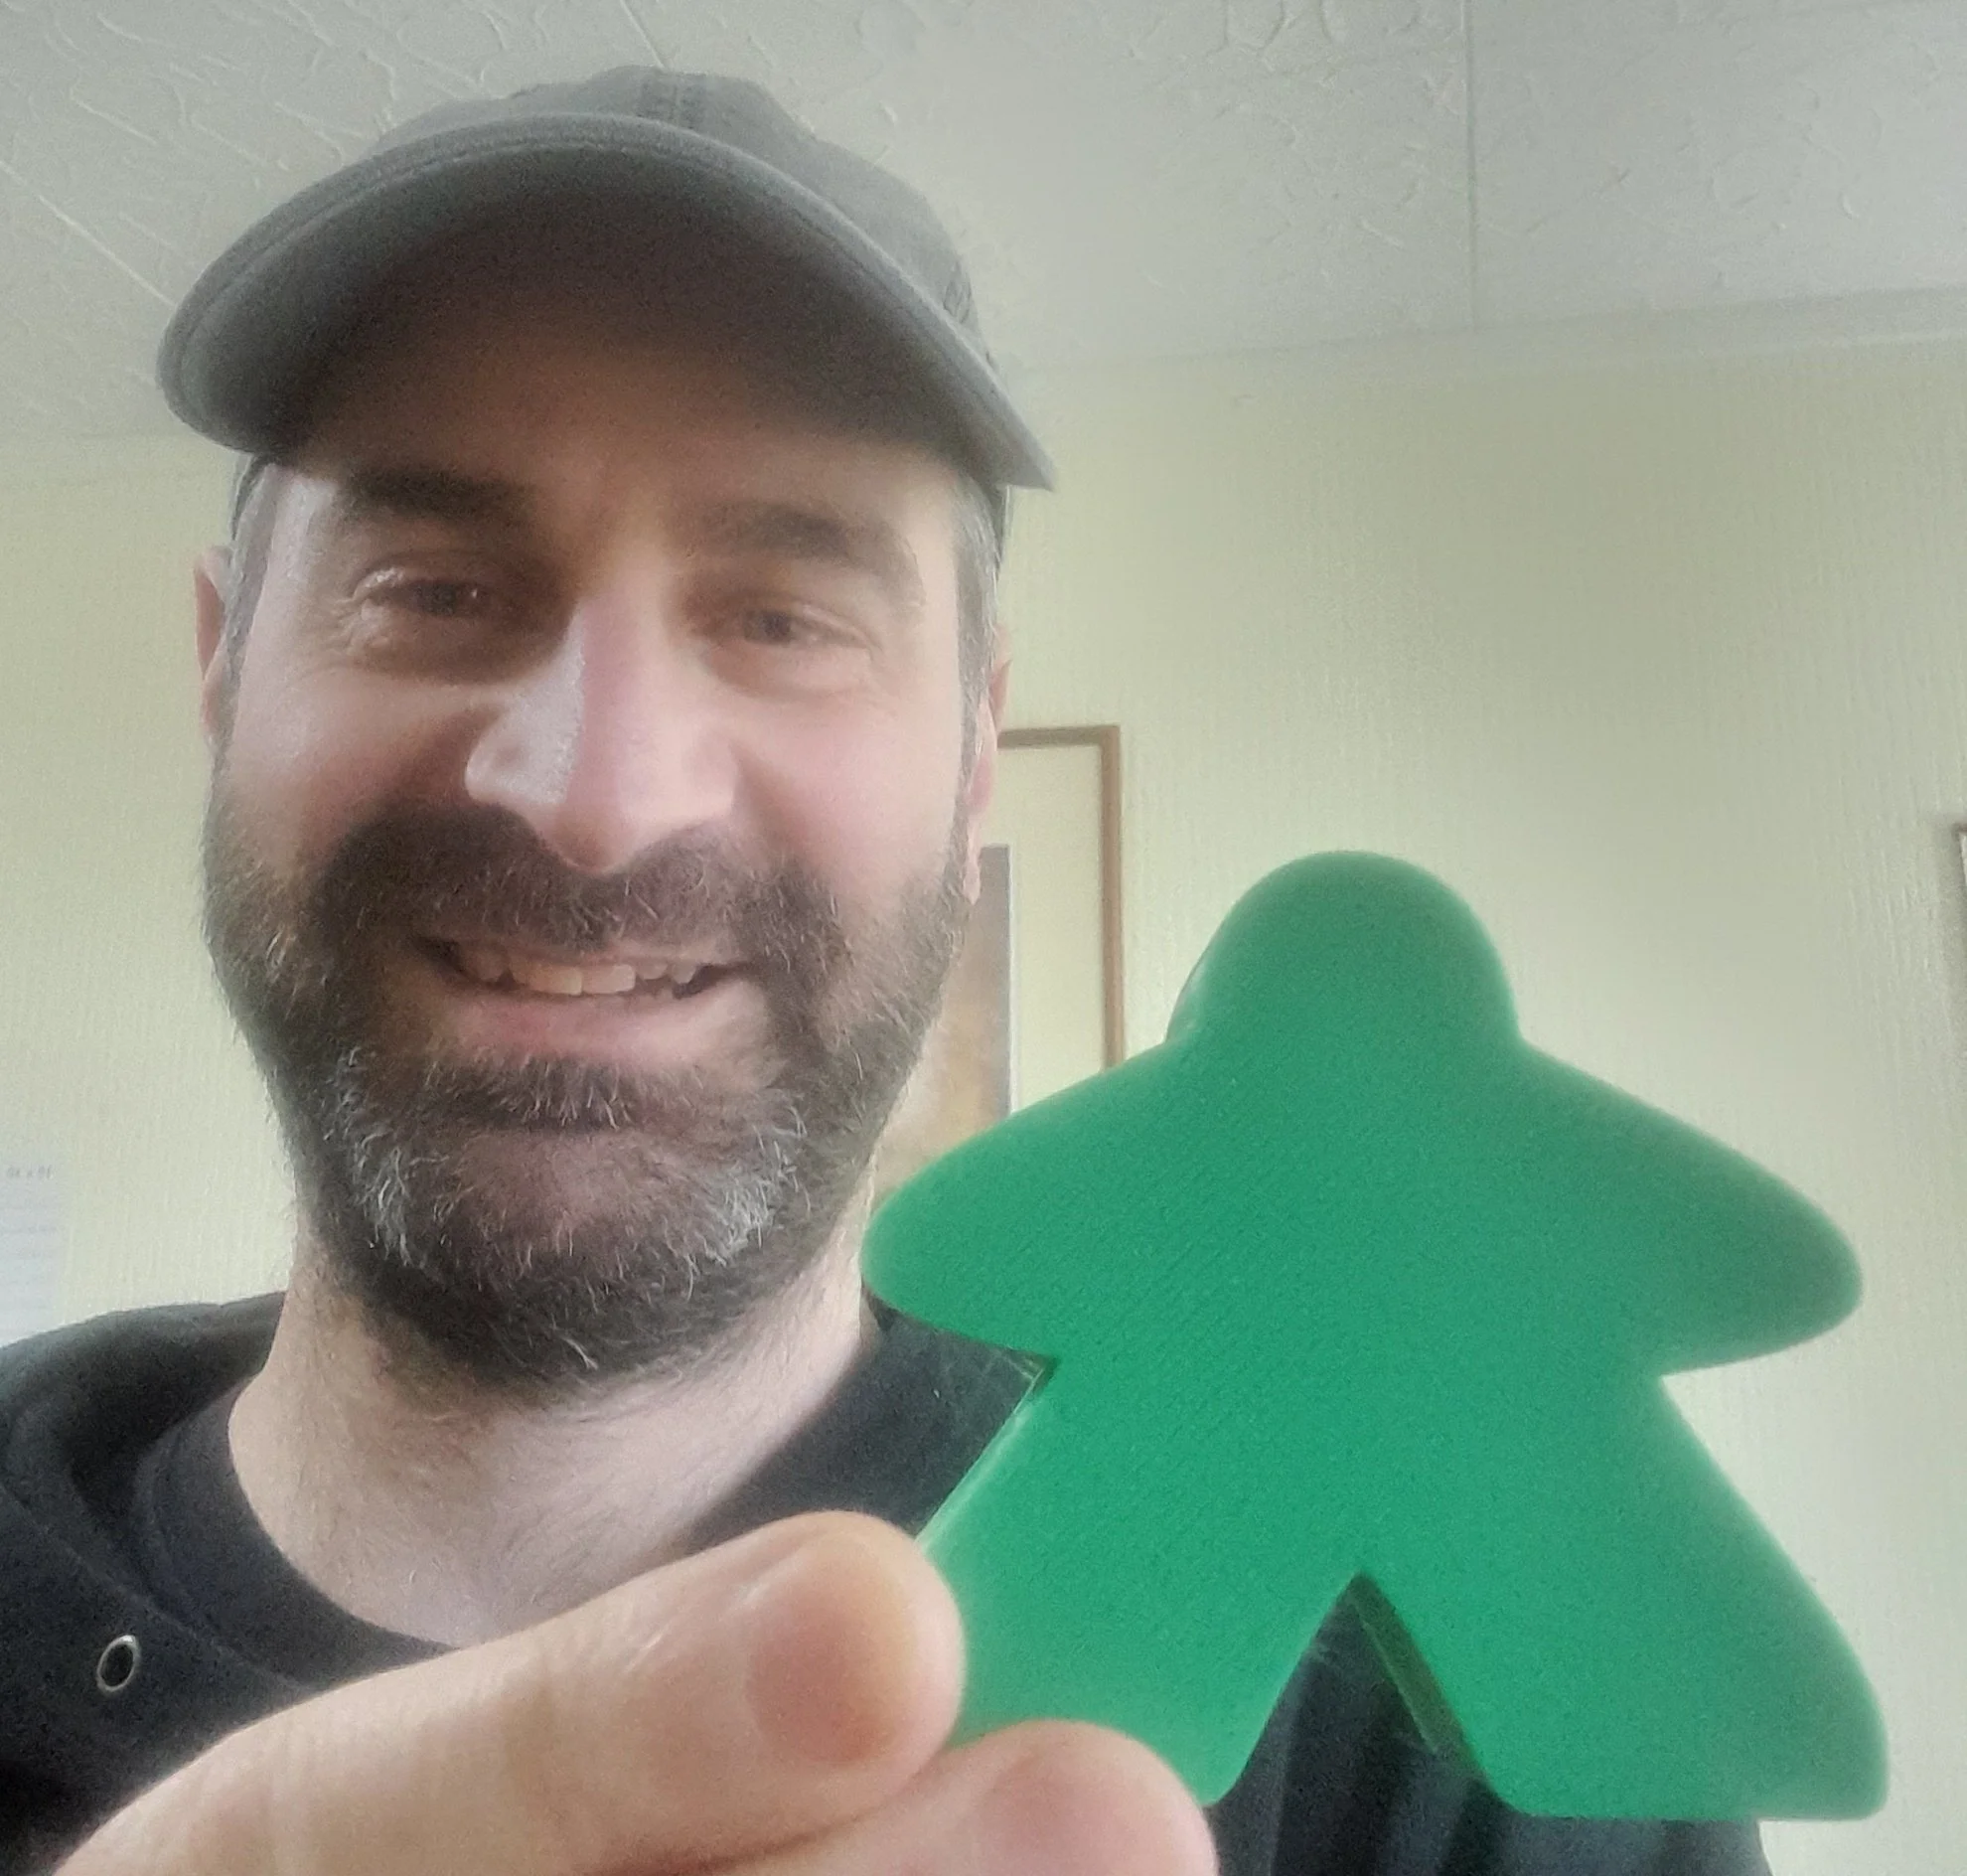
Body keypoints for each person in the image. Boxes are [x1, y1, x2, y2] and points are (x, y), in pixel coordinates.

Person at [0, 67, 1770, 1876]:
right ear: (224, 668)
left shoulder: (1446, 1726)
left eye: (782, 616)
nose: (601, 795)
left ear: (974, 742)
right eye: (436, 588)